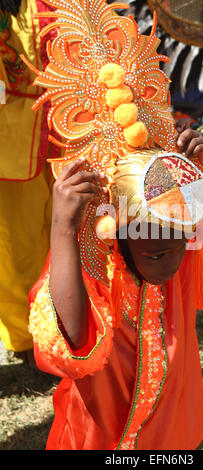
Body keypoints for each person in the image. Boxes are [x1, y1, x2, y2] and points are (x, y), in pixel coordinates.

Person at [27, 0, 203, 449]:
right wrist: (63, 231)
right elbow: (72, 346)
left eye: (184, 243)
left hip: (176, 431)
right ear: (116, 234)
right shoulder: (93, 266)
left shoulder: (174, 222)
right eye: (159, 251)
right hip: (100, 440)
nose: (176, 259)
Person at [0, 0, 60, 367]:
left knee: (73, 240)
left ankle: (70, 328)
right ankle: (23, 341)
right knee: (16, 249)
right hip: (11, 146)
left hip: (68, 132)